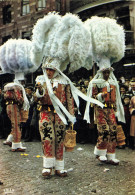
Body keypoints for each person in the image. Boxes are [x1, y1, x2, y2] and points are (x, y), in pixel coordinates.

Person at [34, 61, 74, 178]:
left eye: (51, 70)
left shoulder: (64, 81)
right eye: (47, 69)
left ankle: (59, 167)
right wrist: (40, 91)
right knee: (47, 138)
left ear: (56, 70)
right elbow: (36, 99)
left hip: (60, 114)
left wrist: (71, 117)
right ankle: (47, 166)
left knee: (59, 139)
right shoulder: (40, 80)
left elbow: (69, 99)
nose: (48, 72)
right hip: (45, 112)